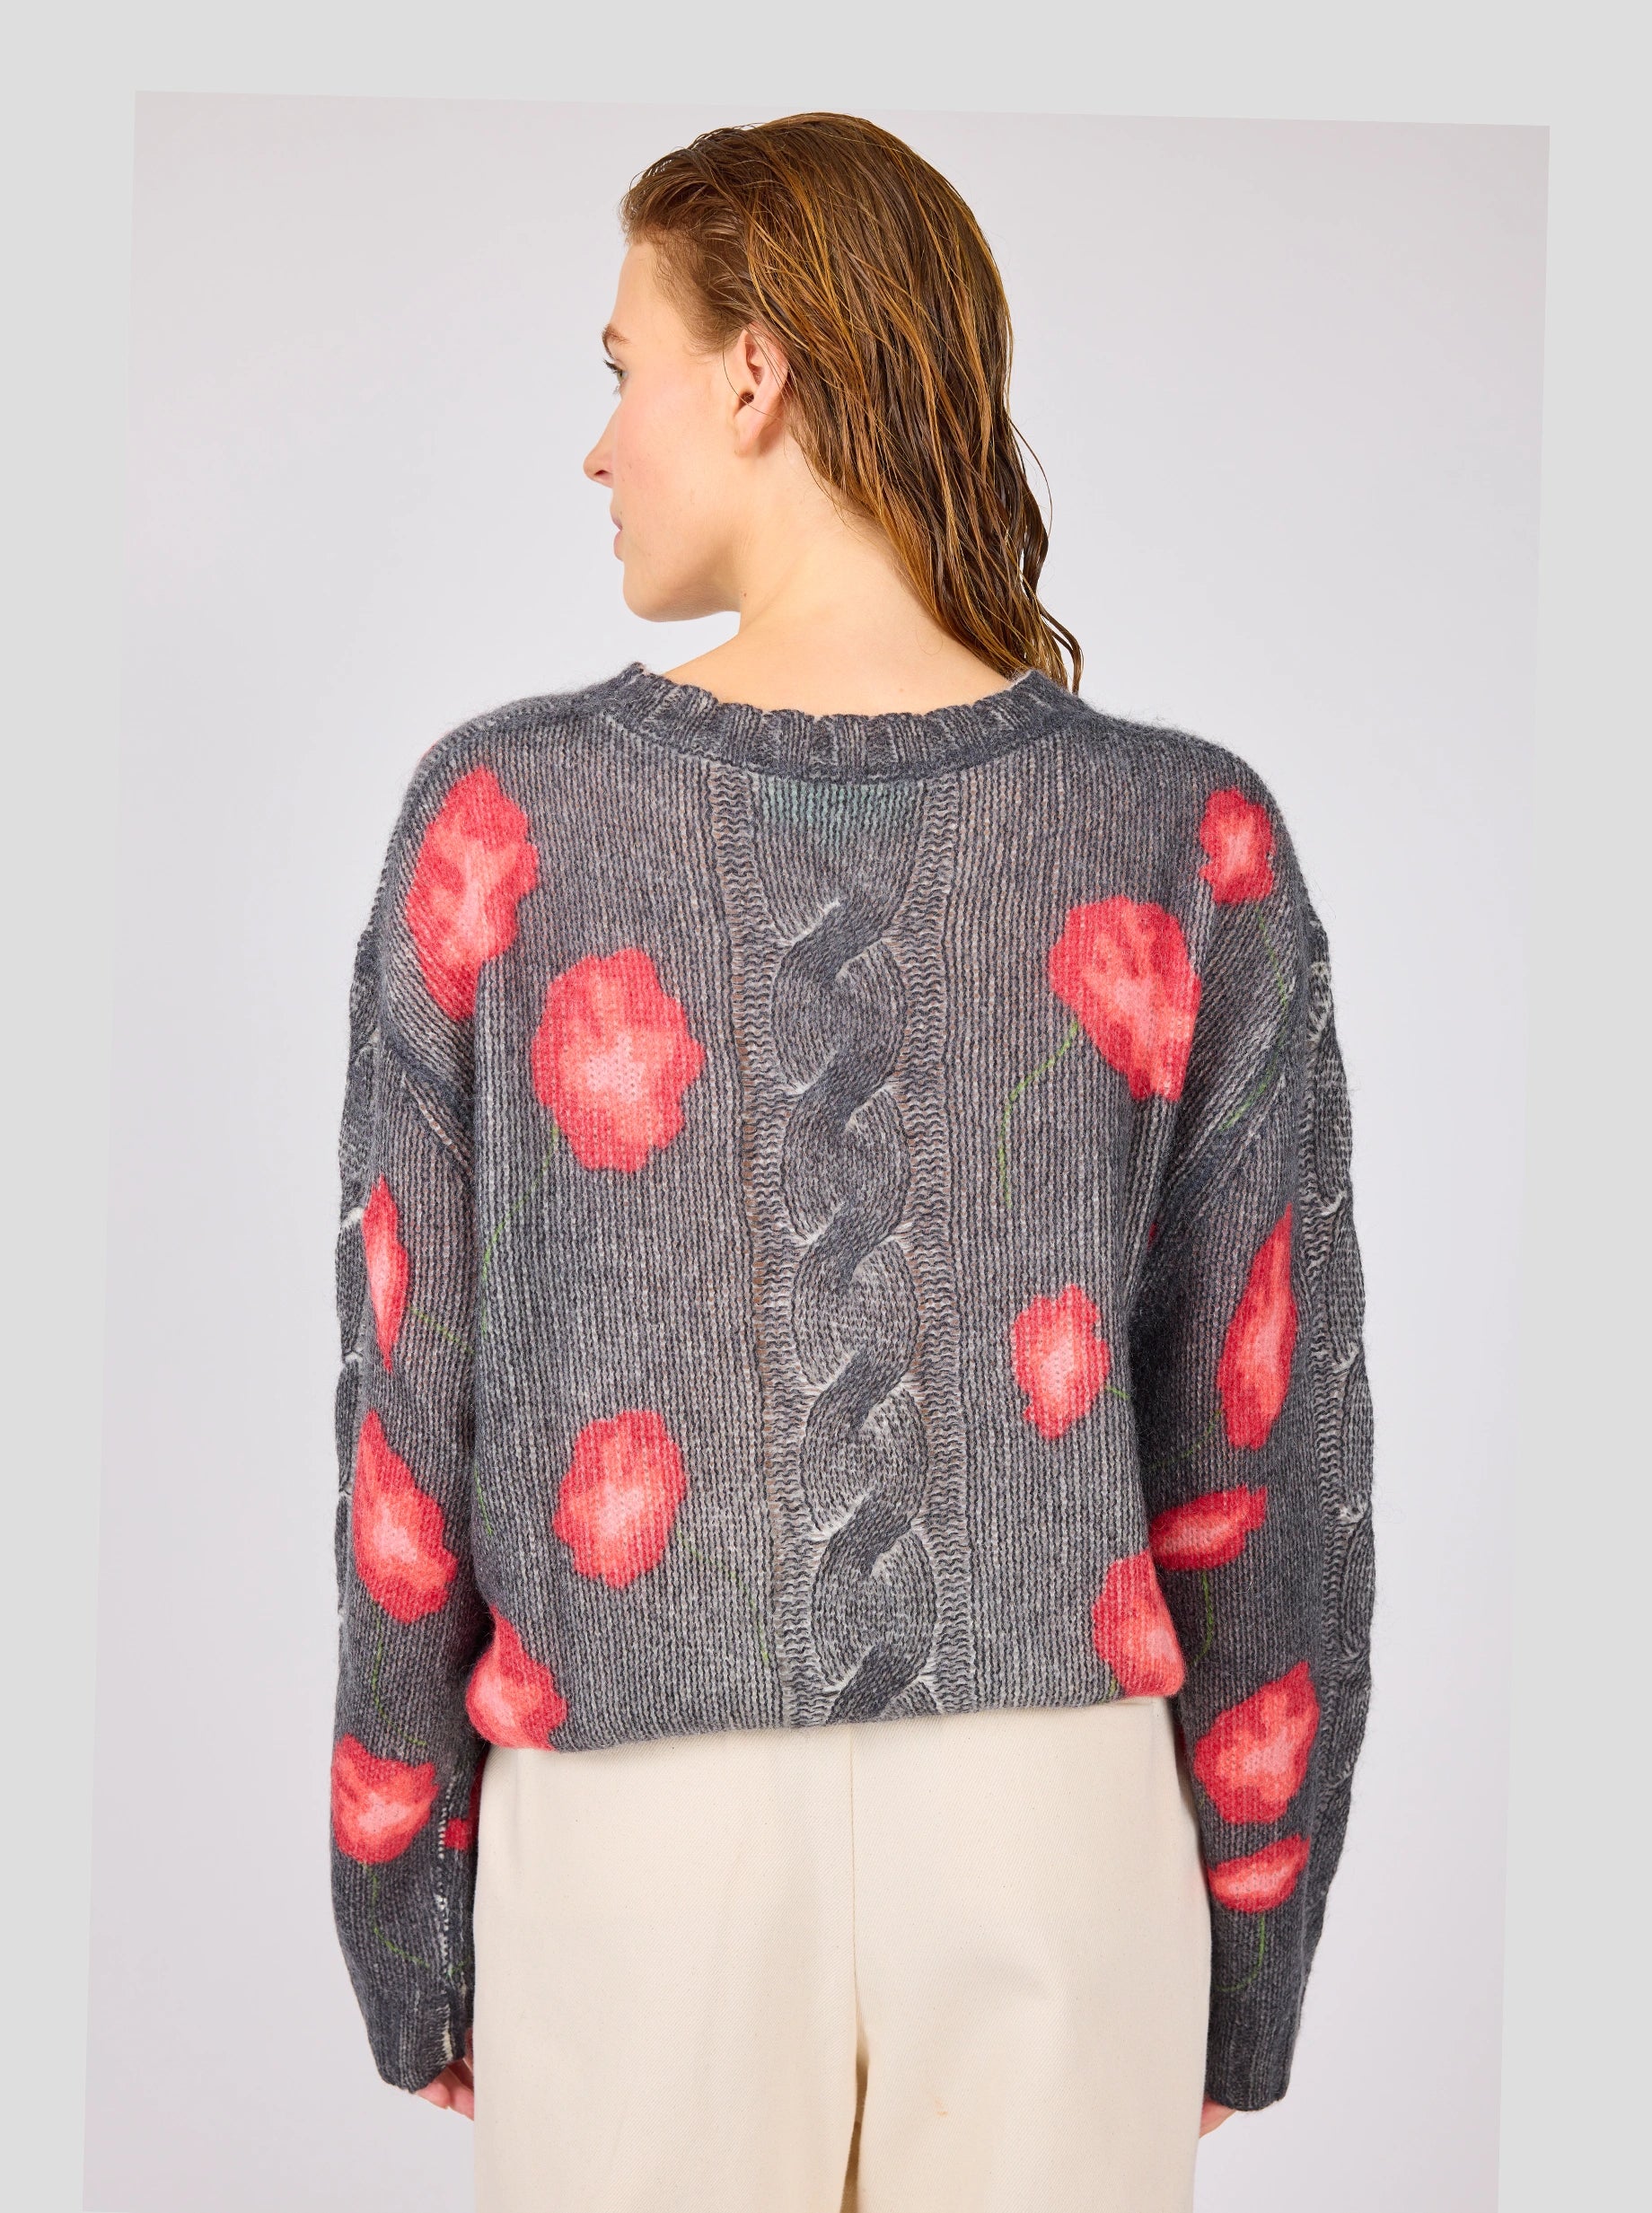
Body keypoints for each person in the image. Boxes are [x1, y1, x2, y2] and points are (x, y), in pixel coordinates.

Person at [328, 111, 1375, 2213]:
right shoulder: (1187, 832)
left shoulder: (499, 822)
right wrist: (1246, 1941)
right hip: (1055, 1822)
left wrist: (408, 1907)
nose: (598, 447)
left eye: (619, 367)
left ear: (755, 372)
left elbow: (404, 1423)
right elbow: (1263, 1435)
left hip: (634, 1826)